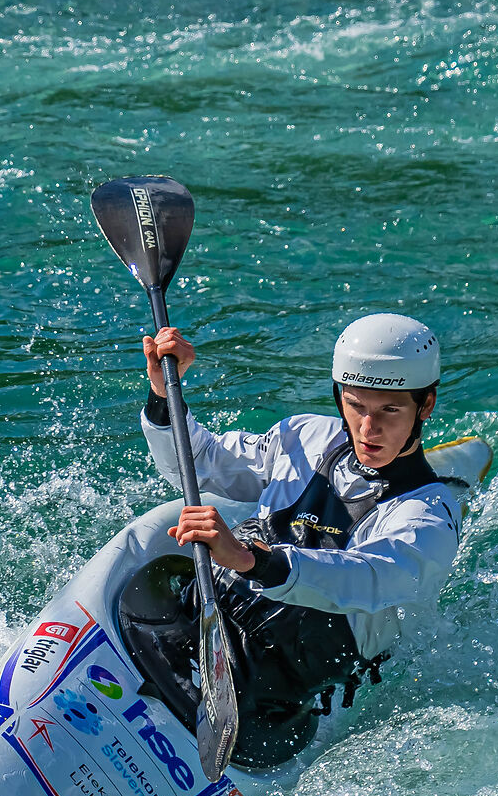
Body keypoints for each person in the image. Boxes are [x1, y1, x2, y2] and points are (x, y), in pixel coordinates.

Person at [135, 313, 471, 764]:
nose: (368, 429)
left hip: (278, 689)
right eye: (356, 406)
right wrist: (163, 394)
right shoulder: (305, 437)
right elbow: (197, 462)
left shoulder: (430, 516)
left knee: (278, 578)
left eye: (390, 410)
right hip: (200, 621)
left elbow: (366, 577)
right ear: (338, 396)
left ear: (425, 406)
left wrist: (253, 560)